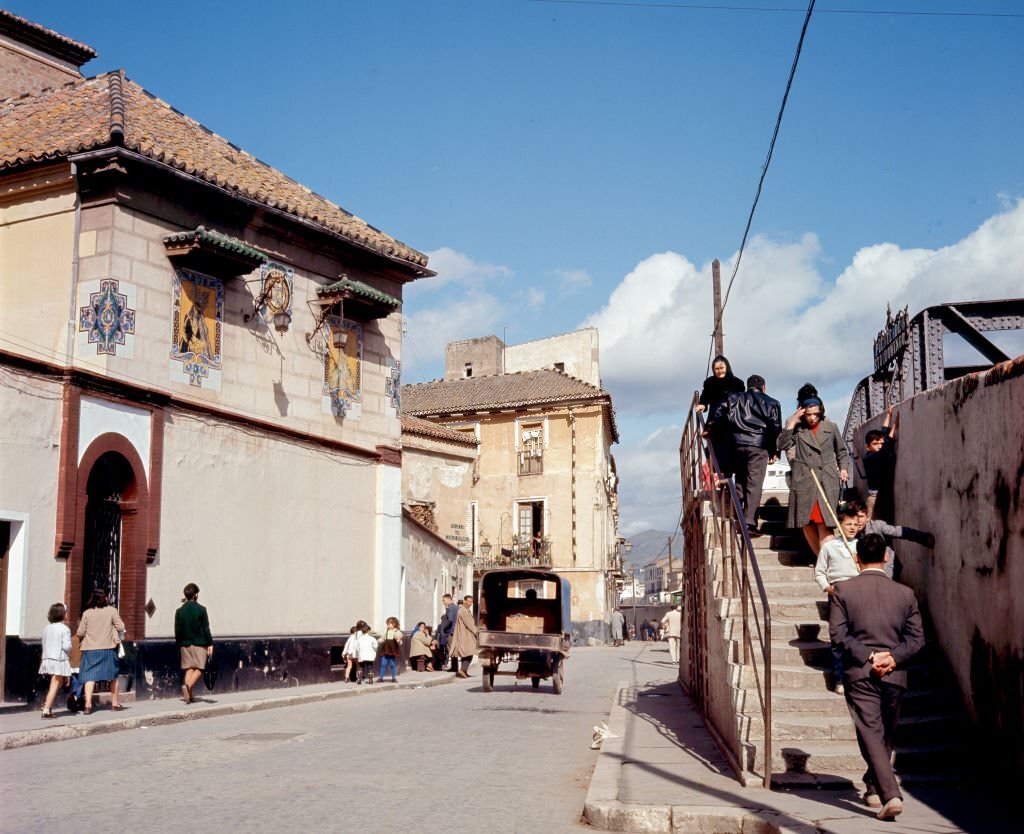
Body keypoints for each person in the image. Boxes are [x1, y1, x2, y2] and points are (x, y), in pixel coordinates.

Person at [829, 533, 924, 820]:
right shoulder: (905, 593)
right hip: (895, 674)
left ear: (857, 558)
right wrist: (892, 657)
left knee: (871, 731)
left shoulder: (842, 591)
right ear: (886, 557)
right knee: (884, 733)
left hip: (860, 671)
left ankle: (888, 793)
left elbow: (838, 635)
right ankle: (877, 788)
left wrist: (870, 656)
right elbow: (917, 639)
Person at [777, 389, 850, 556]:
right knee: (807, 522)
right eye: (808, 414)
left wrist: (844, 468)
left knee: (825, 522)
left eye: (815, 414)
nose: (812, 418)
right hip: (805, 480)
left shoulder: (831, 427)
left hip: (826, 479)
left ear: (821, 412)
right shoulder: (797, 428)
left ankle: (830, 563)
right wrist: (790, 423)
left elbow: (842, 451)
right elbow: (782, 445)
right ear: (802, 412)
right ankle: (821, 561)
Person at [711, 374, 781, 535]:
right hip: (758, 446)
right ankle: (748, 523)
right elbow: (775, 428)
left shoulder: (734, 397)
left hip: (735, 444)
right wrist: (775, 451)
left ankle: (737, 512)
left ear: (747, 387)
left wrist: (714, 430)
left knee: (741, 479)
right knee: (754, 483)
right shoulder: (772, 402)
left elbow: (718, 411)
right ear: (763, 387)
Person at [814, 506, 863, 693]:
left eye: (855, 524)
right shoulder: (829, 546)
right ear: (839, 525)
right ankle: (839, 678)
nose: (852, 528)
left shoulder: (861, 545)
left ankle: (857, 676)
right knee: (838, 637)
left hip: (858, 594)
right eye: (848, 524)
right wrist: (827, 587)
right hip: (837, 594)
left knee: (858, 635)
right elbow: (819, 572)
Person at [851, 499, 935, 581]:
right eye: (854, 516)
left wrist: (924, 538)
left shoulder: (878, 526)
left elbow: (899, 532)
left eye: (861, 516)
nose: (858, 521)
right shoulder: (851, 535)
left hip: (888, 569)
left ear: (867, 517)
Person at [76, 588, 125, 714]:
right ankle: (115, 704)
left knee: (89, 677)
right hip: (108, 648)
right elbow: (121, 627)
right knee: (113, 676)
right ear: (106, 598)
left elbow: (80, 632)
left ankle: (87, 705)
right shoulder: (112, 611)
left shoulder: (87, 613)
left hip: (90, 649)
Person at [696, 355, 745, 478]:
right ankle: (719, 475)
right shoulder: (709, 382)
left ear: (727, 367)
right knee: (716, 449)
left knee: (731, 449)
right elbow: (705, 396)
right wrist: (703, 405)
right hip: (715, 421)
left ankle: (728, 476)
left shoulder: (737, 383)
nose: (719, 371)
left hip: (732, 421)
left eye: (722, 368)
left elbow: (742, 402)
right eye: (716, 369)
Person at [174, 582, 213, 705]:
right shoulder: (201, 610)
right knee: (200, 668)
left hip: (185, 644)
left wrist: (180, 643)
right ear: (196, 595)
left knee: (189, 668)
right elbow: (206, 628)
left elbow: (177, 629)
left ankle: (189, 696)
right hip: (199, 643)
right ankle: (188, 686)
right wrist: (210, 643)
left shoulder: (179, 611)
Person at [863, 406, 899, 521]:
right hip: (875, 497)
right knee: (872, 525)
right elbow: (886, 442)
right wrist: (894, 426)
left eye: (880, 443)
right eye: (875, 444)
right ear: (868, 447)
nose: (879, 446)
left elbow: (884, 434)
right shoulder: (870, 458)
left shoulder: (879, 452)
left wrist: (888, 415)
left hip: (884, 494)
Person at [38, 603, 72, 719]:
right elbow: (67, 646)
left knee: (57, 682)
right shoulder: (65, 629)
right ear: (63, 614)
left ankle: (47, 703)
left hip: (48, 657)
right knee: (56, 683)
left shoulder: (46, 628)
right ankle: (46, 710)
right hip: (59, 658)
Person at [449, 595, 478, 678]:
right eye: (468, 601)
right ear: (464, 601)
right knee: (468, 653)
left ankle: (464, 671)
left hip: (467, 635)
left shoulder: (466, 610)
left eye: (471, 602)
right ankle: (462, 670)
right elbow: (469, 623)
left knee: (467, 653)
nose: (470, 603)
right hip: (464, 636)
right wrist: (476, 632)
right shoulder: (462, 611)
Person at [436, 593, 459, 673]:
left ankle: (454, 667)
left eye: (444, 600)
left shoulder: (450, 608)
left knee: (451, 650)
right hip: (455, 631)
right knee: (454, 650)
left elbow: (449, 620)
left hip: (450, 633)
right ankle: (455, 667)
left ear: (449, 599)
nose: (443, 602)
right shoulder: (456, 608)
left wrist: (443, 628)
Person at [379, 617, 403, 683]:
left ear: (394, 624)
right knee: (383, 664)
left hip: (392, 650)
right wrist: (378, 641)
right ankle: (380, 678)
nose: (388, 625)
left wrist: (398, 640)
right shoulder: (386, 632)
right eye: (388, 624)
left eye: (390, 624)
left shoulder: (396, 631)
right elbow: (382, 638)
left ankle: (393, 678)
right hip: (385, 650)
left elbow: (400, 638)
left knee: (392, 664)